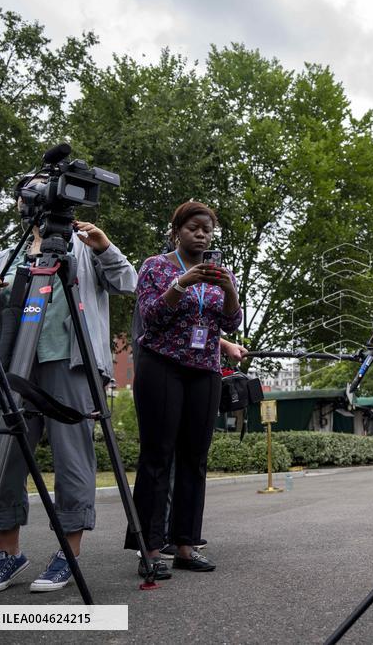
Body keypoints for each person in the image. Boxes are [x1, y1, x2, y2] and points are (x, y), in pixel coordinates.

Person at [0, 178, 136, 594]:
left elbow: (128, 283)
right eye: (31, 195)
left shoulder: (83, 248)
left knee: (71, 457)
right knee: (3, 457)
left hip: (70, 361)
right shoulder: (3, 259)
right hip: (13, 368)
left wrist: (104, 246)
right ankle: (8, 553)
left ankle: (68, 552)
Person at [124, 200, 242, 579]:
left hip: (204, 370)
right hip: (161, 366)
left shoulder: (222, 273)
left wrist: (228, 291)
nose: (202, 234)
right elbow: (152, 317)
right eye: (194, 227)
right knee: (158, 457)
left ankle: (187, 547)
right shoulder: (156, 266)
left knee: (195, 458)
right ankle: (151, 549)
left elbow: (231, 322)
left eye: (207, 229)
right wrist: (181, 284)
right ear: (177, 231)